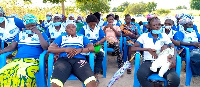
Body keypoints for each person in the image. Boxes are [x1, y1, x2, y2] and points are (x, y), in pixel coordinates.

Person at [0, 14, 49, 86]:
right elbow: (12, 46)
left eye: (32, 25)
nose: (30, 28)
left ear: (36, 24)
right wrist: (1, 51)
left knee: (23, 74)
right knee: (3, 73)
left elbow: (45, 47)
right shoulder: (20, 34)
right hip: (18, 60)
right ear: (25, 27)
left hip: (33, 60)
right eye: (28, 26)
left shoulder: (42, 34)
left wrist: (38, 33)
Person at [131, 17, 180, 87]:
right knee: (141, 75)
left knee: (174, 80)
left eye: (159, 24)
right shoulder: (144, 36)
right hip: (149, 62)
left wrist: (173, 59)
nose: (157, 27)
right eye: (154, 25)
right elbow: (133, 48)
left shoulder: (164, 36)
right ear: (150, 26)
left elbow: (173, 48)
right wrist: (147, 49)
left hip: (163, 62)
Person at [48, 21, 97, 87]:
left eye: (73, 27)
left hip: (79, 60)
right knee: (55, 84)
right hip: (63, 61)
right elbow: (50, 49)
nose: (71, 29)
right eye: (68, 27)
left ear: (76, 29)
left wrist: (80, 50)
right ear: (65, 30)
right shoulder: (62, 37)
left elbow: (92, 48)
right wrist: (65, 49)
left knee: (91, 83)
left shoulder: (81, 37)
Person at [79, 14, 106, 84]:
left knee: (100, 55)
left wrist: (99, 41)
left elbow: (104, 37)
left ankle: (96, 74)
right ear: (87, 23)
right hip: (86, 47)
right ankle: (89, 74)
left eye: (94, 24)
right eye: (90, 25)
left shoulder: (98, 28)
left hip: (96, 47)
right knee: (86, 57)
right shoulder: (84, 28)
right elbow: (79, 38)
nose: (92, 26)